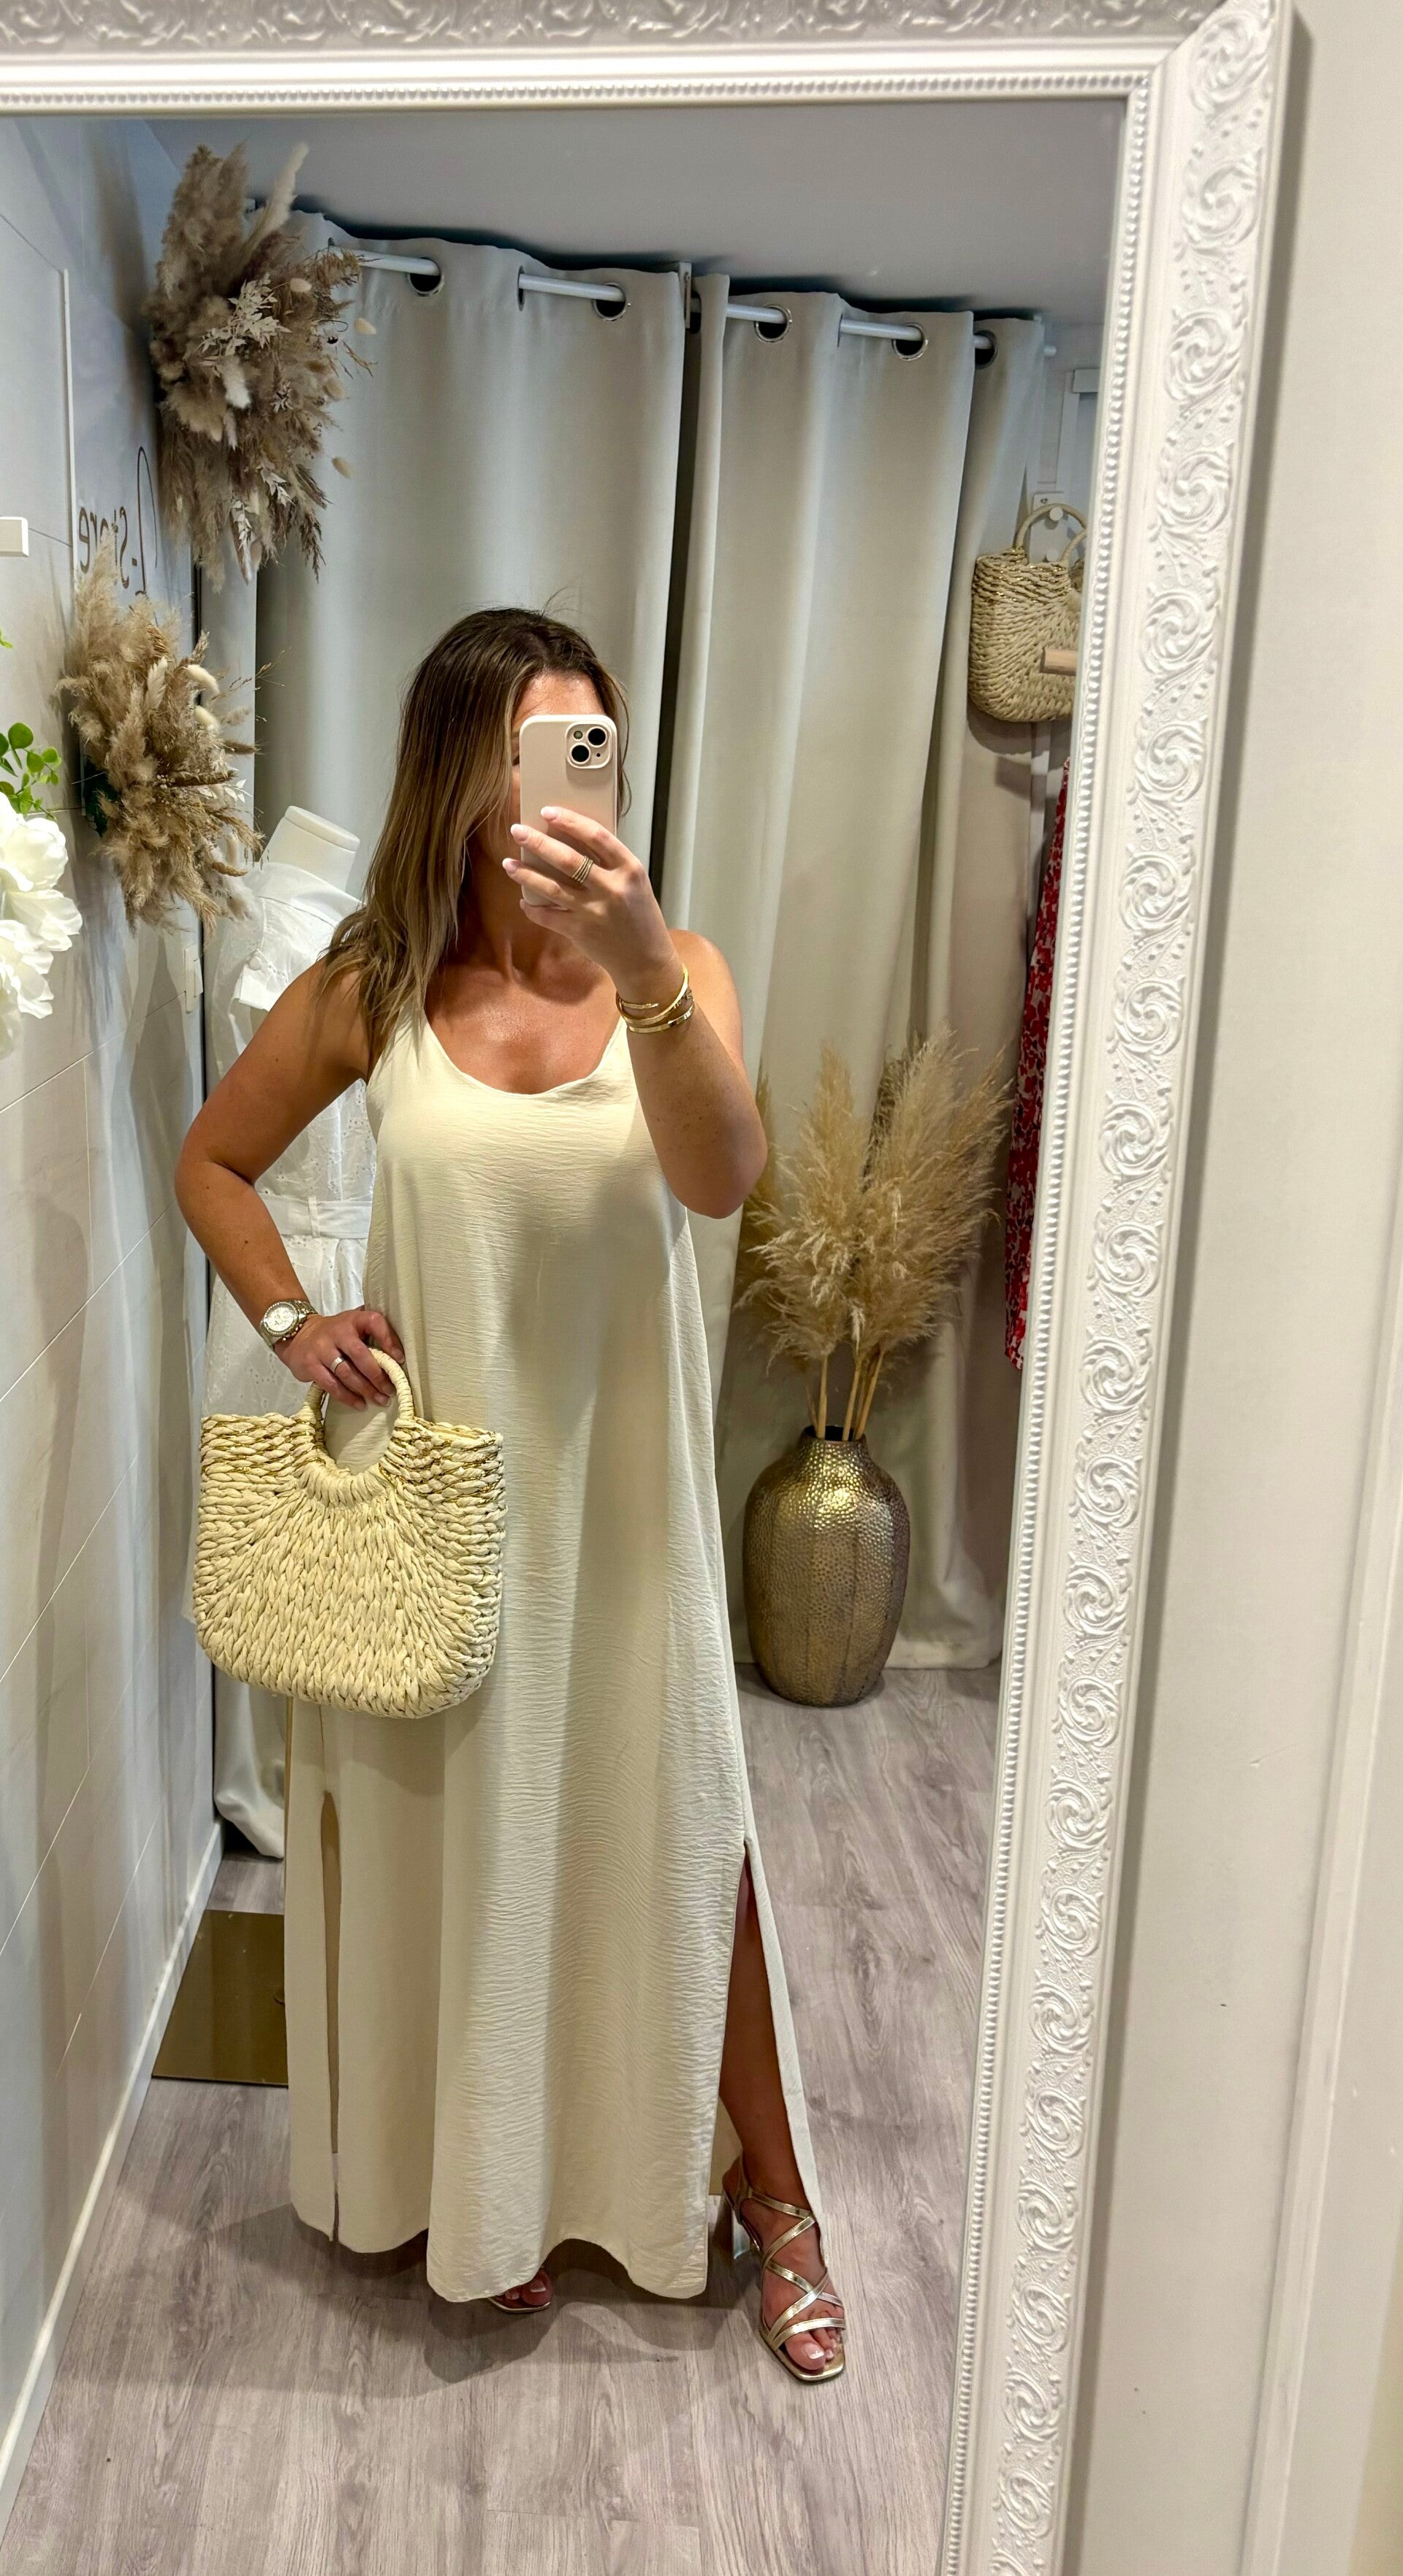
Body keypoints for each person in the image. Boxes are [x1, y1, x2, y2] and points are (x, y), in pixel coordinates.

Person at [175, 607, 846, 2383]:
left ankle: (777, 2195)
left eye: (590, 745)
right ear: (460, 771)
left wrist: (642, 967)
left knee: (687, 1834)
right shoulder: (376, 983)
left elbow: (723, 1174)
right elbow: (213, 1159)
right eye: (534, 747)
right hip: (447, 1508)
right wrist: (296, 1318)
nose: (564, 782)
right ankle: (494, 2187)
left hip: (627, 1518)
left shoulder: (674, 964)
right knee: (479, 1850)